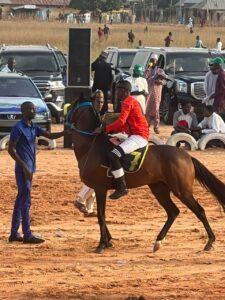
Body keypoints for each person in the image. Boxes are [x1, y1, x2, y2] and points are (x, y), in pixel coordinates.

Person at [8, 101, 66, 244]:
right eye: (31, 109)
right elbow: (11, 149)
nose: (34, 111)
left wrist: (65, 132)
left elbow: (49, 135)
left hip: (30, 169)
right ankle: (27, 235)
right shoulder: (18, 127)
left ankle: (14, 233)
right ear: (23, 111)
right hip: (23, 170)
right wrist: (24, 168)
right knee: (25, 201)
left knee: (20, 200)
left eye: (34, 109)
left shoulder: (33, 127)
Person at [93, 80, 149, 200]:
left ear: (125, 91)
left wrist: (104, 129)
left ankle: (122, 187)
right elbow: (124, 124)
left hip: (139, 136)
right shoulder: (130, 101)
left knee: (114, 155)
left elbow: (121, 121)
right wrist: (112, 132)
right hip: (133, 135)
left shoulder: (127, 102)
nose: (116, 92)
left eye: (118, 89)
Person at [74, 90, 105, 216]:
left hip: (92, 148)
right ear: (93, 101)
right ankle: (80, 199)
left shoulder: (97, 113)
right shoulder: (90, 113)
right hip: (91, 150)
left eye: (102, 101)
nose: (100, 103)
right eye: (98, 101)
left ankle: (89, 208)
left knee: (99, 178)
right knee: (97, 177)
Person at [145, 54, 166, 134]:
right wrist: (153, 78)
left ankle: (156, 127)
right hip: (149, 93)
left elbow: (164, 80)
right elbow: (146, 78)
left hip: (156, 94)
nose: (153, 62)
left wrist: (160, 81)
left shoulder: (160, 70)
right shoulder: (148, 70)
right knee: (147, 110)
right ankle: (147, 126)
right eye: (151, 61)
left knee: (156, 110)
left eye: (154, 61)